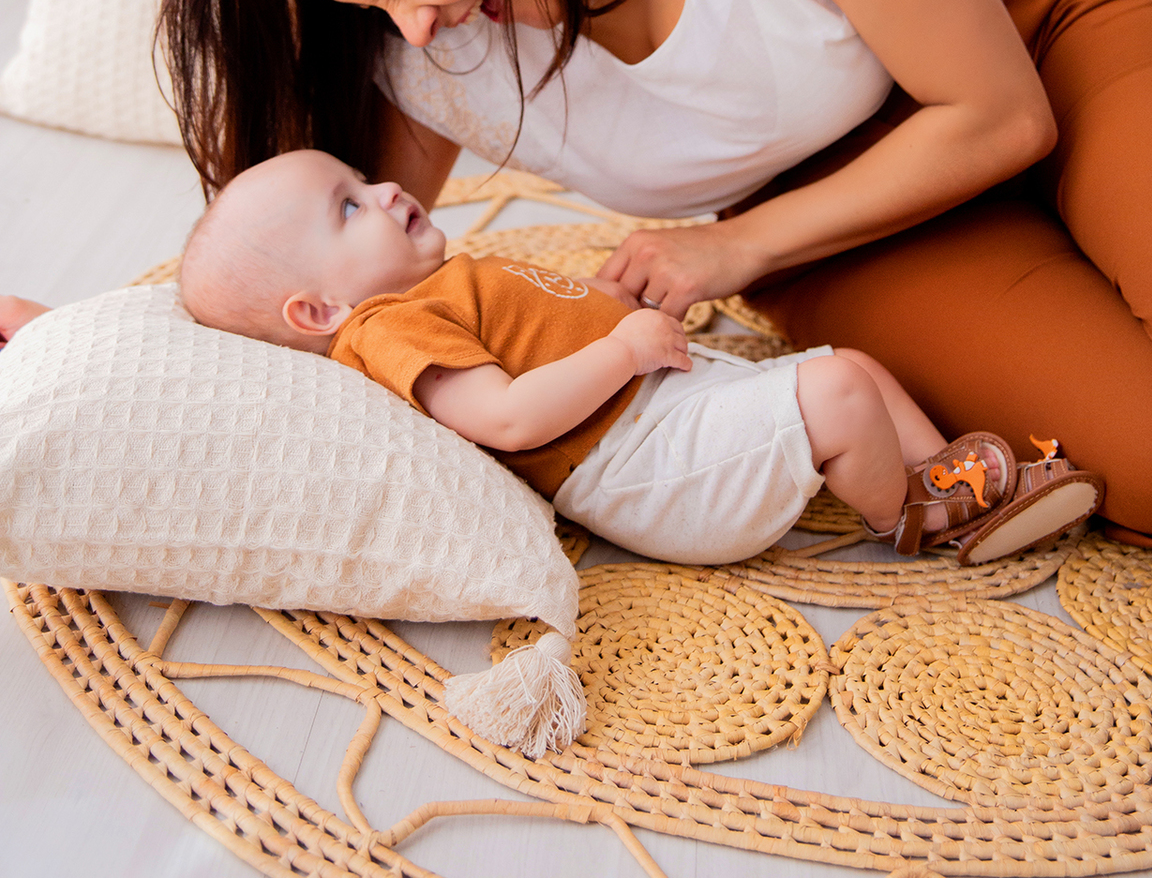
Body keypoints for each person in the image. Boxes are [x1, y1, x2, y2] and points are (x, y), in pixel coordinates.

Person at [138, 0, 1152, 550]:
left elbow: (1001, 115)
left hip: (1022, 42)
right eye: (374, 8)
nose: (411, 26)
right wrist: (112, 339)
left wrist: (727, 249)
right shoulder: (425, 48)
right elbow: (311, 292)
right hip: (841, 218)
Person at [158, 145, 1092, 565]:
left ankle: (943, 471)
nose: (390, 188)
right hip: (638, 466)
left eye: (362, 178)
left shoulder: (439, 286)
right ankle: (923, 524)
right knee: (841, 388)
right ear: (318, 307)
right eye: (349, 206)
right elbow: (509, 418)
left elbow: (543, 334)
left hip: (664, 414)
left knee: (852, 363)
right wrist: (623, 351)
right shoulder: (388, 326)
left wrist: (615, 314)